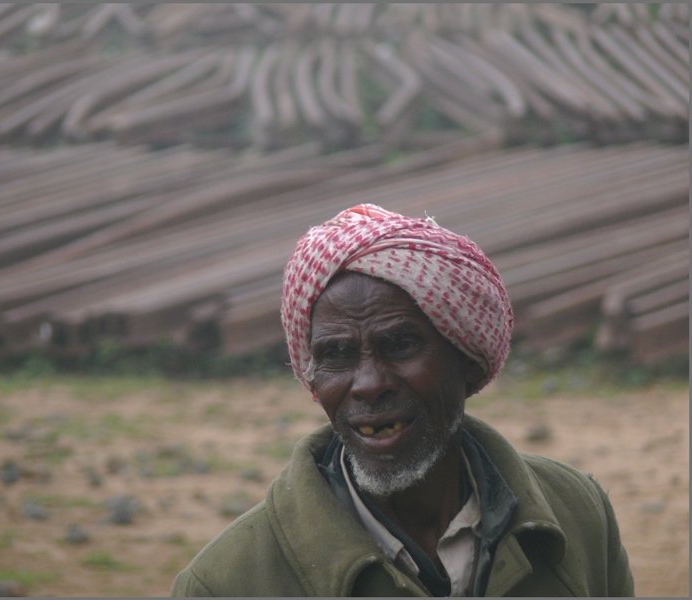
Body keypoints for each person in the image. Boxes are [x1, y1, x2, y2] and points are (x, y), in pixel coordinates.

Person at [172, 204, 634, 597]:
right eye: (336, 354)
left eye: (400, 345)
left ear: (469, 363)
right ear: (312, 377)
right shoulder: (227, 583)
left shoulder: (578, 515)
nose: (369, 384)